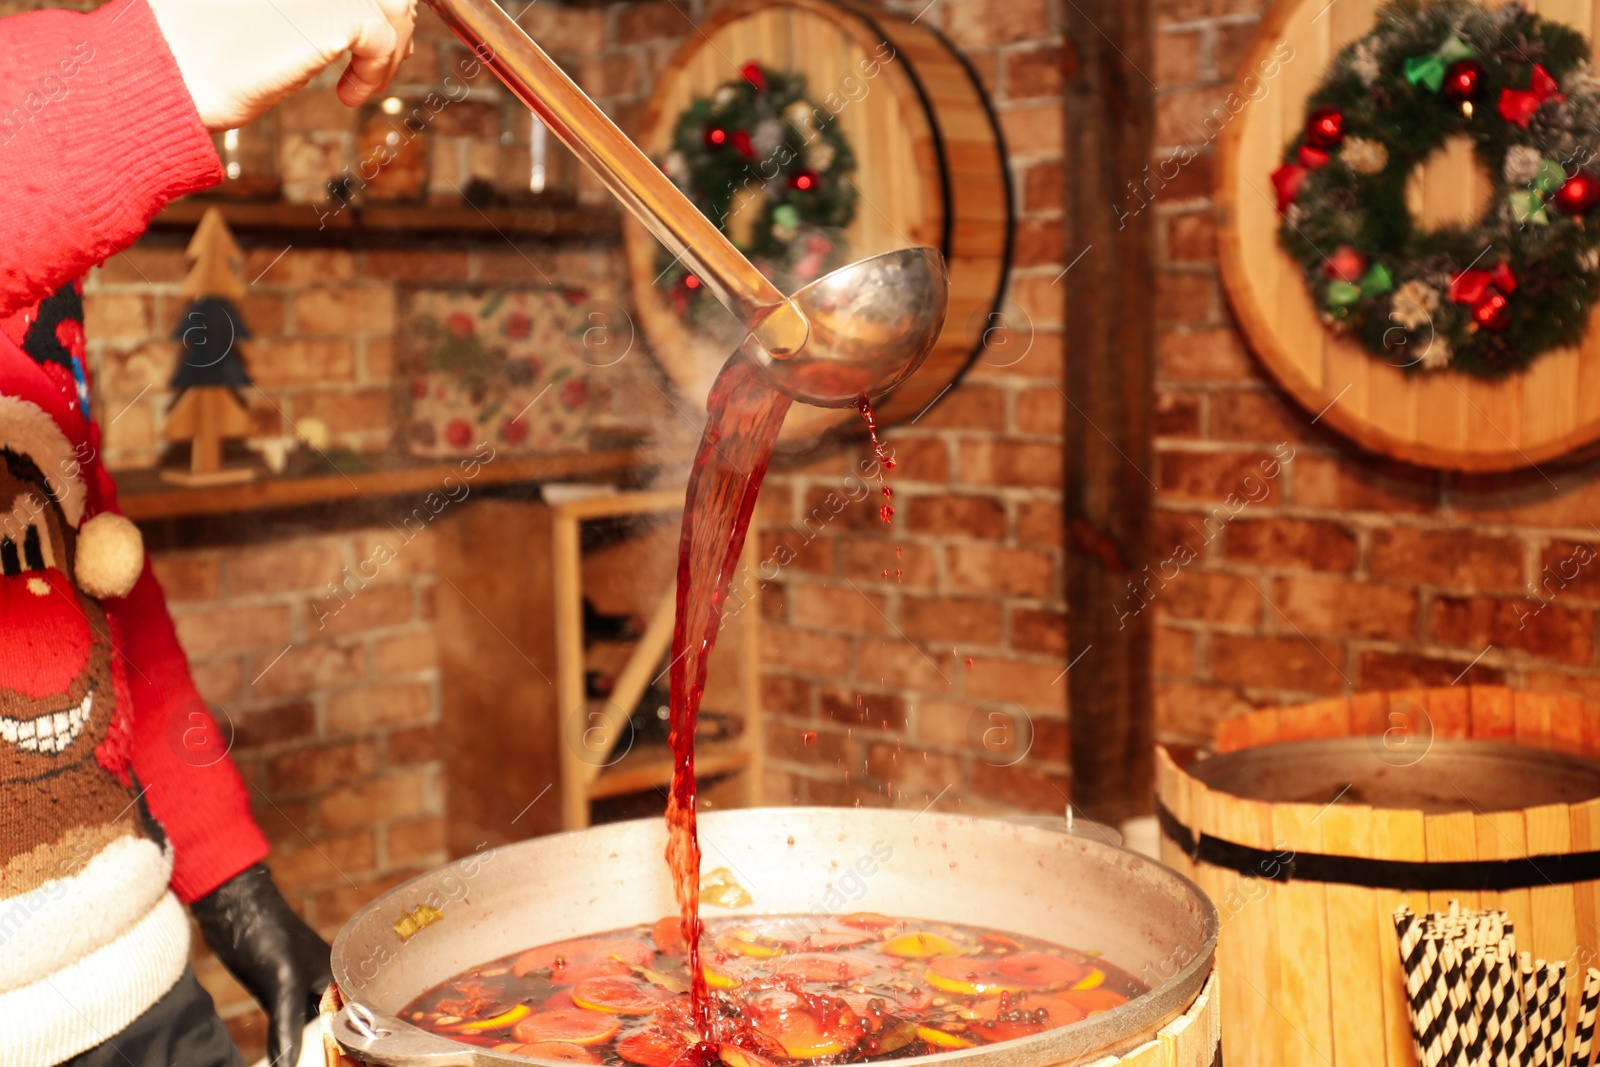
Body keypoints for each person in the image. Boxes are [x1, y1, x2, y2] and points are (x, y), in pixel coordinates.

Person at [0, 0, 417, 1064]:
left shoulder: (39, 306)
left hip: (145, 996)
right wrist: (176, 49)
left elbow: (115, 626)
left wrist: (240, 898)